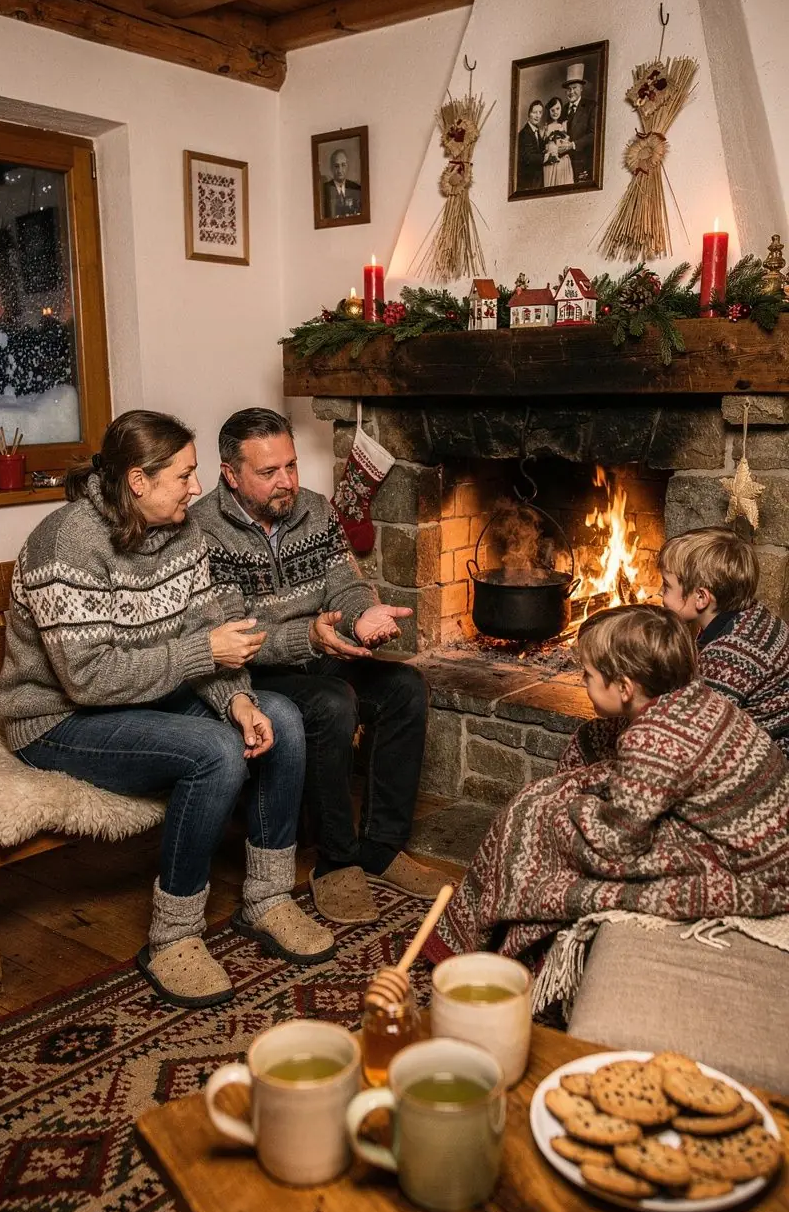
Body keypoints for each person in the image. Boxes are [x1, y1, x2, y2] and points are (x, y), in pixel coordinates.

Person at [0, 410, 335, 1011]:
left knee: (281, 718)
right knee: (215, 751)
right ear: (138, 481)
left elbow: (207, 628)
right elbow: (90, 681)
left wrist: (240, 699)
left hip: (149, 697)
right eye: (184, 476)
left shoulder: (182, 533)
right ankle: (172, 936)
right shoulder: (66, 542)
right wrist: (205, 654)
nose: (196, 489)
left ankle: (269, 899)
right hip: (56, 721)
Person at [193, 407, 451, 926]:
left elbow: (346, 584)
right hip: (253, 674)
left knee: (405, 687)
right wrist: (307, 637)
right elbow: (230, 639)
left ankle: (380, 847)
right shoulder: (202, 532)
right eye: (269, 472)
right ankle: (335, 861)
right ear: (230, 473)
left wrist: (361, 617)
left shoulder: (315, 510)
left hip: (322, 648)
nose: (286, 481)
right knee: (332, 704)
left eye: (291, 465)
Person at [425, 605, 789, 965]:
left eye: (587, 675)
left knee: (541, 822)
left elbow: (617, 843)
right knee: (570, 769)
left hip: (754, 871)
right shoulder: (695, 697)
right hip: (754, 844)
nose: (583, 682)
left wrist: (575, 806)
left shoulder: (652, 737)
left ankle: (502, 945)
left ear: (626, 687)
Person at [660, 527, 789, 757]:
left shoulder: (730, 653)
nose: (660, 592)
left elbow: (698, 733)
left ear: (701, 597)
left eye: (667, 586)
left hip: (767, 758)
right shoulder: (752, 615)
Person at [561, 63, 596, 183]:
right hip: (564, 166)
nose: (571, 92)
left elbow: (594, 134)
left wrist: (573, 145)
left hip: (583, 164)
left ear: (581, 88)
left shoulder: (591, 106)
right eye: (568, 89)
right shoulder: (563, 109)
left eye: (574, 88)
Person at [542, 96, 574, 189]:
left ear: (561, 109)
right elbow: (544, 146)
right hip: (550, 163)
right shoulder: (546, 127)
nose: (555, 112)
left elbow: (568, 142)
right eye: (552, 110)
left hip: (563, 161)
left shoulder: (565, 124)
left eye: (557, 109)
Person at [323, 148, 362, 219]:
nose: (340, 170)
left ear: (347, 166)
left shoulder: (357, 189)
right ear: (331, 168)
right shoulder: (323, 190)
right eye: (336, 166)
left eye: (343, 165)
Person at [517, 100, 545, 191]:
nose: (537, 116)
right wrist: (545, 157)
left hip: (537, 179)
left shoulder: (537, 131)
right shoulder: (524, 134)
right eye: (534, 112)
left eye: (540, 112)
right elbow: (528, 157)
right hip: (528, 181)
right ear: (529, 114)